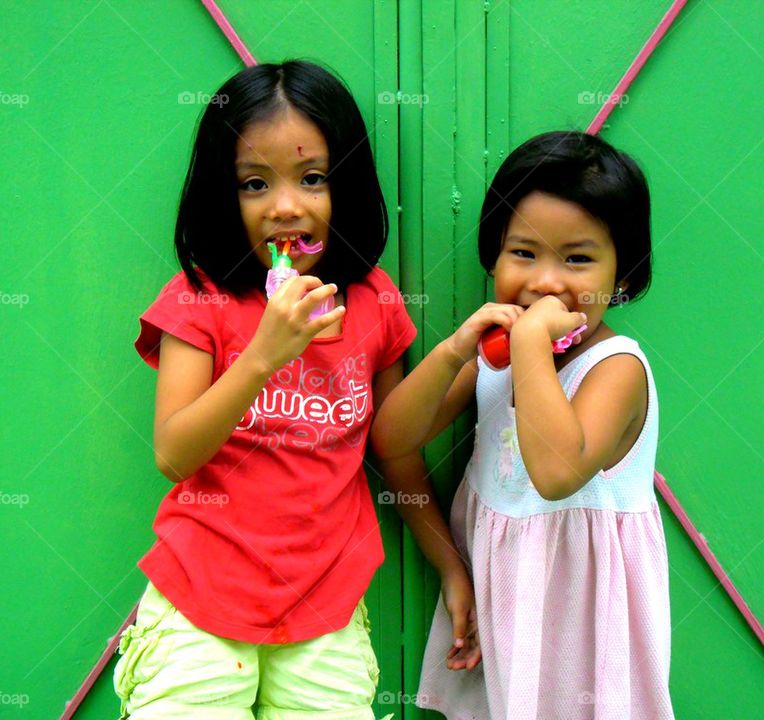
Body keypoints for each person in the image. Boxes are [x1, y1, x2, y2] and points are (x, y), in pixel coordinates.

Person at [113, 60, 477, 720]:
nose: (285, 206)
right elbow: (174, 453)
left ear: (347, 187)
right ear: (228, 198)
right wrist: (261, 357)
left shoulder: (373, 302)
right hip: (201, 598)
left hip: (324, 606)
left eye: (312, 178)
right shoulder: (201, 302)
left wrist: (449, 565)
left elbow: (394, 449)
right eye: (255, 183)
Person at [372, 131, 674, 719]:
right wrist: (457, 350)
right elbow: (392, 439)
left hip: (583, 623)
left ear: (624, 275)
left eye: (578, 258)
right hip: (504, 604)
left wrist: (532, 341)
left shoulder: (617, 369)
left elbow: (557, 473)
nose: (546, 281)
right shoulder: (491, 356)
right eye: (524, 253)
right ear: (492, 257)